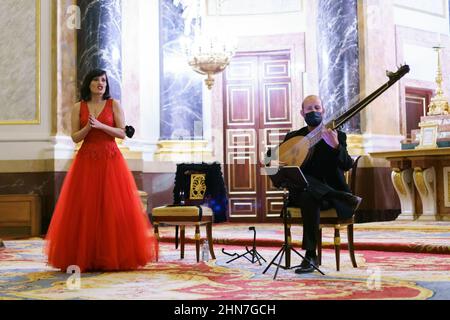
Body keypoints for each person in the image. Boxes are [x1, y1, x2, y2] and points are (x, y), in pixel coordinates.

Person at [45, 69, 158, 272]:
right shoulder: (78, 107)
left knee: (111, 207)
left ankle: (115, 256)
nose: (100, 83)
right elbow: (74, 138)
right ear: (88, 83)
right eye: (96, 79)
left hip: (110, 160)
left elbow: (122, 133)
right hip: (86, 161)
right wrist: (88, 128)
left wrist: (100, 126)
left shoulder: (113, 104)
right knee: (86, 208)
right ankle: (86, 256)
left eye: (104, 80)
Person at [267, 95, 361, 274]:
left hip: (322, 198)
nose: (314, 112)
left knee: (309, 194)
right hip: (302, 194)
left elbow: (347, 165)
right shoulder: (293, 137)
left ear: (323, 110)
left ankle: (310, 256)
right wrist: (271, 163)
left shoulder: (337, 135)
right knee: (304, 187)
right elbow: (269, 158)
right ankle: (342, 198)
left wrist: (335, 146)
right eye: (309, 109)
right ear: (302, 113)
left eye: (317, 108)